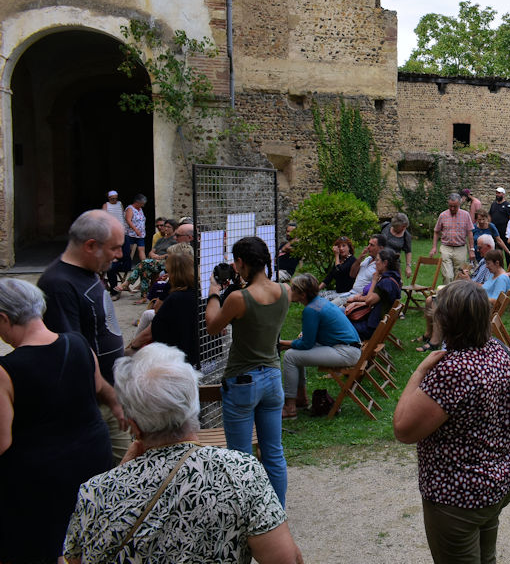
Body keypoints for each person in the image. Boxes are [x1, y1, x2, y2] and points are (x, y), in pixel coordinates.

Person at [62, 343, 304, 563]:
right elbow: (286, 560)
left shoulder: (95, 493)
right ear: (193, 405)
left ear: (134, 426)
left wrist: (119, 474)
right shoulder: (241, 473)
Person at [394, 280, 510, 564]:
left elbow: (403, 430)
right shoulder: (502, 351)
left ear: (445, 320)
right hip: (498, 484)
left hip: (457, 496)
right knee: (486, 558)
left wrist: (419, 372)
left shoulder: (452, 370)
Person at [0, 278, 123, 563]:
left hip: (39, 480)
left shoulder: (6, 371)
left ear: (4, 318)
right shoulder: (78, 343)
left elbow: (2, 441)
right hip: (92, 461)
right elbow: (98, 387)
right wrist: (117, 406)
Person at [37, 209, 131, 464]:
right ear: (91, 246)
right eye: (115, 248)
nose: (120, 255)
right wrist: (111, 399)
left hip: (109, 394)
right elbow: (75, 353)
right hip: (95, 401)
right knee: (119, 471)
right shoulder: (58, 285)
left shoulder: (88, 271)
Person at [205, 236, 290, 505]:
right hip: (272, 377)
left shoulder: (238, 298)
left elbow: (212, 326)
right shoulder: (285, 291)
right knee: (273, 452)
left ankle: (247, 515)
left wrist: (213, 292)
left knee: (241, 457)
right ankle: (276, 511)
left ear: (241, 262)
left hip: (243, 381)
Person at [280, 273, 361, 418]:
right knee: (294, 354)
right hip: (349, 348)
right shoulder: (319, 302)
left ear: (303, 294)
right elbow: (309, 340)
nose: (290, 291)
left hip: (345, 352)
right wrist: (289, 344)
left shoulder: (311, 310)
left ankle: (290, 407)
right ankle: (301, 399)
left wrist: (283, 344)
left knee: (290, 357)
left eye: (293, 289)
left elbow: (306, 344)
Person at [126, 249, 200, 367]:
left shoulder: (175, 298)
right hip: (201, 355)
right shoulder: (200, 293)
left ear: (173, 273)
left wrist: (132, 346)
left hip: (178, 360)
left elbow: (152, 330)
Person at [345, 248, 403, 340]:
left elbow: (368, 300)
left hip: (371, 329)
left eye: (377, 260)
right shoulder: (394, 278)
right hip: (376, 325)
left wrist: (374, 280)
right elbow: (375, 301)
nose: (375, 263)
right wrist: (357, 303)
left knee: (339, 324)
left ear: (385, 263)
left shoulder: (386, 283)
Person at [431, 193, 475, 285]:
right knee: (448, 276)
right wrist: (434, 247)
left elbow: (470, 233)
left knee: (459, 276)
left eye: (455, 206)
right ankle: (448, 292)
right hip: (446, 247)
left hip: (460, 248)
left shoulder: (465, 215)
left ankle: (457, 293)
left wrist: (471, 250)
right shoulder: (443, 215)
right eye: (450, 206)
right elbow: (436, 231)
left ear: (459, 204)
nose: (452, 208)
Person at [345, 234, 384, 304]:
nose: (368, 247)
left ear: (381, 248)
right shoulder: (367, 259)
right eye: (368, 244)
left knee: (328, 307)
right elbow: (352, 274)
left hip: (359, 298)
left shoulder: (380, 266)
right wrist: (360, 258)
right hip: (350, 292)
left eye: (372, 245)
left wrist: (358, 298)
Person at [320, 236, 358, 301]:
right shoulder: (339, 261)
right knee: (316, 296)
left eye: (343, 246)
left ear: (349, 247)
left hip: (347, 293)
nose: (341, 248)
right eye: (339, 247)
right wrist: (317, 289)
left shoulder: (352, 260)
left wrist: (336, 256)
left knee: (324, 300)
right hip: (337, 292)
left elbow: (339, 271)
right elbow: (329, 277)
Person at [382, 213, 414, 279]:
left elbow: (408, 251)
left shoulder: (406, 235)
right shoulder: (386, 226)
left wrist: (408, 266)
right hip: (380, 260)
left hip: (394, 264)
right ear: (396, 225)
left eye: (405, 226)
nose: (404, 228)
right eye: (403, 226)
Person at [489, 187, 510, 261]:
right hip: (495, 232)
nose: (497, 194)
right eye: (496, 193)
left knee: (507, 252)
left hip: (505, 233)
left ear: (503, 194)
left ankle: (509, 267)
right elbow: (490, 216)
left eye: (499, 193)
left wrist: (509, 231)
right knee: (497, 253)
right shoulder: (493, 204)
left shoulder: (507, 205)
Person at [124, 193, 148, 266]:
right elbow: (128, 220)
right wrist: (136, 230)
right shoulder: (130, 209)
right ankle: (126, 265)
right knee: (129, 251)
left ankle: (145, 265)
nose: (143, 205)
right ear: (137, 202)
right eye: (142, 204)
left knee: (141, 249)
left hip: (140, 234)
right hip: (131, 234)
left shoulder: (140, 209)